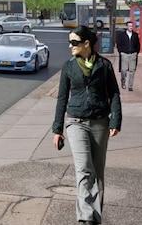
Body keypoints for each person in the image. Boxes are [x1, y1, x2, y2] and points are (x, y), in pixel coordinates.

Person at [52, 25, 122, 225]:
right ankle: (85, 218)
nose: (70, 46)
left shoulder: (104, 66)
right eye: (69, 42)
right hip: (75, 121)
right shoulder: (69, 67)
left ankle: (95, 217)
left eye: (74, 42)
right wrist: (57, 129)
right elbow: (62, 98)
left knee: (97, 172)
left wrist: (115, 119)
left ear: (86, 43)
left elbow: (114, 94)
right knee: (84, 169)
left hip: (100, 122)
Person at [115, 20, 141, 91]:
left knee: (132, 71)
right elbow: (118, 44)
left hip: (133, 54)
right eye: (129, 26)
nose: (131, 27)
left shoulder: (135, 35)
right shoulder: (121, 35)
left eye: (132, 26)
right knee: (123, 70)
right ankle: (123, 81)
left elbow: (138, 45)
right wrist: (121, 52)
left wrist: (136, 52)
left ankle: (130, 86)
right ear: (127, 26)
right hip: (124, 54)